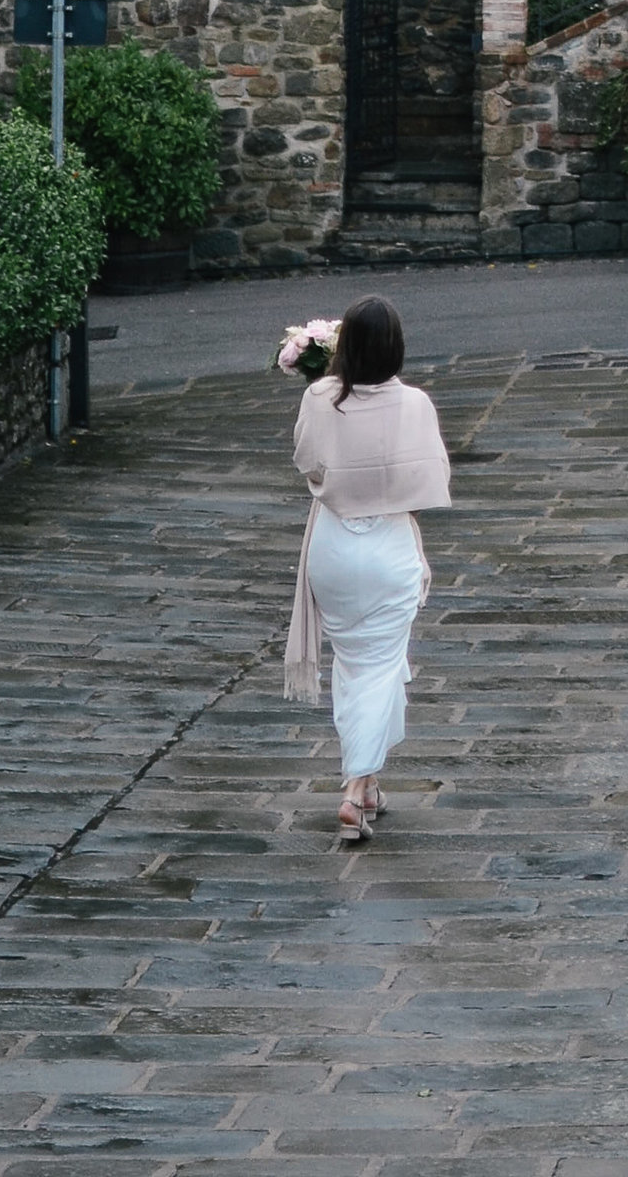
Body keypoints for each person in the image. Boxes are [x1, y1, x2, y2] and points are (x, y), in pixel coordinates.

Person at [283, 296, 451, 846]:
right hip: (388, 545)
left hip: (333, 545)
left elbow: (307, 462)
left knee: (357, 665)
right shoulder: (417, 405)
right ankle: (355, 788)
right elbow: (428, 479)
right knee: (378, 666)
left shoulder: (318, 396)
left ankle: (370, 784)